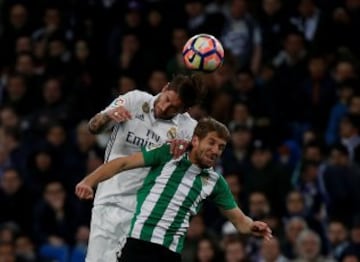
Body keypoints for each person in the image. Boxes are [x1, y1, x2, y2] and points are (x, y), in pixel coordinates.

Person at [76, 117, 273, 262]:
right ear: (195, 140)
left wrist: (252, 225)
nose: (215, 151)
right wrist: (88, 181)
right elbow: (122, 163)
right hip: (138, 243)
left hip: (169, 253)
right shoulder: (168, 154)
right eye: (211, 143)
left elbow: (239, 221)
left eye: (221, 147)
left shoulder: (215, 181)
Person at [85, 74, 205, 262]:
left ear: (185, 110)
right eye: (167, 100)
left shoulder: (188, 129)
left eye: (174, 107)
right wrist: (108, 116)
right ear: (164, 88)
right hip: (111, 202)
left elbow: (200, 168)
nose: (165, 107)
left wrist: (188, 151)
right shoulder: (134, 100)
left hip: (146, 215)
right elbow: (93, 128)